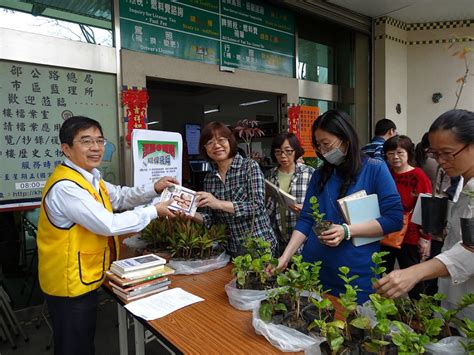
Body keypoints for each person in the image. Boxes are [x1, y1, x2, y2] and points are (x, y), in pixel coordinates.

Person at [37, 116, 177, 355]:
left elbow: (120, 197)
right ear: (66, 149)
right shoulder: (66, 187)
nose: (96, 148)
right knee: (75, 347)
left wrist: (154, 188)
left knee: (82, 341)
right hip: (68, 285)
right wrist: (154, 210)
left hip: (86, 276)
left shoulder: (91, 177)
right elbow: (108, 223)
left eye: (99, 140)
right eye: (86, 141)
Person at [277, 110, 403, 303]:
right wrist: (286, 256)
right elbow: (306, 219)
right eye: (318, 145)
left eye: (326, 144)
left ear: (345, 138)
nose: (323, 150)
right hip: (315, 267)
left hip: (353, 273)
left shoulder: (374, 169)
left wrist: (347, 231)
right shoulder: (320, 174)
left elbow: (394, 219)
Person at [374, 109, 474, 320]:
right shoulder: (463, 183)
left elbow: (471, 250)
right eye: (435, 154)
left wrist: (416, 272)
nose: (441, 161)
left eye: (447, 153)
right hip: (456, 295)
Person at [193, 121, 278, 256]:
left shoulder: (249, 167)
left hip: (259, 247)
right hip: (230, 249)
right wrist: (190, 213)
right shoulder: (209, 178)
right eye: (209, 143)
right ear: (205, 149)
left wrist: (218, 203)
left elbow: (257, 206)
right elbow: (210, 219)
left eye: (221, 140)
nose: (216, 145)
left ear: (230, 141)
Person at [382, 135, 433, 298]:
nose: (395, 157)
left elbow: (427, 207)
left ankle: (418, 317)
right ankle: (384, 309)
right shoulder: (385, 174)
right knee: (382, 272)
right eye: (390, 153)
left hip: (409, 235)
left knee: (412, 277)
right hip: (386, 232)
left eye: (399, 152)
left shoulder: (418, 176)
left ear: (408, 153)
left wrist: (425, 237)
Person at [265, 132, 315, 255]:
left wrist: (306, 209)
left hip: (303, 239)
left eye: (288, 151)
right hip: (277, 237)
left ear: (296, 151)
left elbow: (319, 205)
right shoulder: (270, 176)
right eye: (278, 152)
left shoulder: (309, 173)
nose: (283, 156)